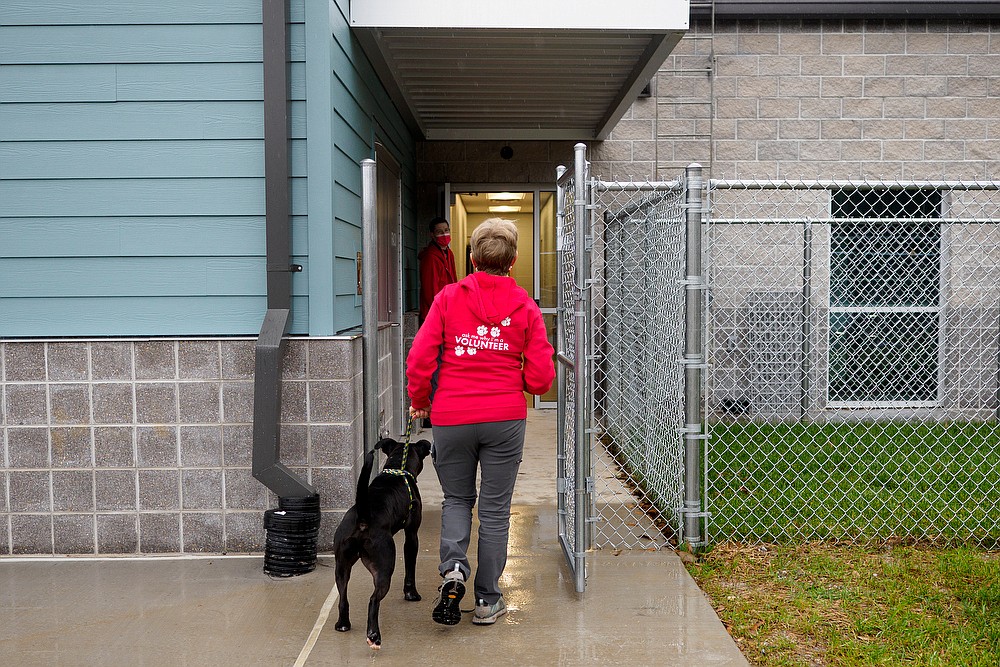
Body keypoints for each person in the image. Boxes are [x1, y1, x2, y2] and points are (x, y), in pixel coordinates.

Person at [406, 218, 555, 627]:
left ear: (471, 258)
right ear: (515, 260)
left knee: (456, 500)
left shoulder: (448, 298)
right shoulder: (525, 305)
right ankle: (487, 600)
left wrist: (421, 400)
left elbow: (420, 357)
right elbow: (542, 376)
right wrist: (517, 381)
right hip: (505, 417)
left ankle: (453, 572)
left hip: (452, 415)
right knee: (494, 510)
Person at [418, 216, 458, 323]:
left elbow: (454, 281)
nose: (444, 234)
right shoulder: (430, 257)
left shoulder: (449, 254)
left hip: (446, 310)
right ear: (432, 235)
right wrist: (438, 312)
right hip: (434, 314)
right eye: (439, 232)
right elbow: (430, 290)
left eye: (446, 230)